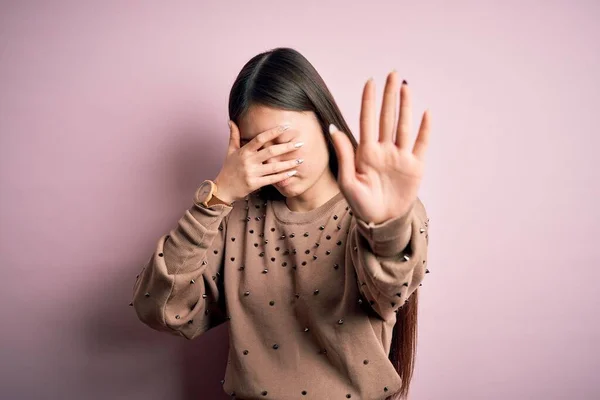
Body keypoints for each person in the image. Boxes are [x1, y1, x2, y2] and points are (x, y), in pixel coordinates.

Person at [131, 47, 431, 400]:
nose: (274, 159)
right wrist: (216, 198)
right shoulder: (236, 217)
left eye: (283, 139)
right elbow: (162, 310)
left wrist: (386, 225)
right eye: (255, 146)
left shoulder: (376, 212)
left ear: (322, 119)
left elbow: (390, 287)